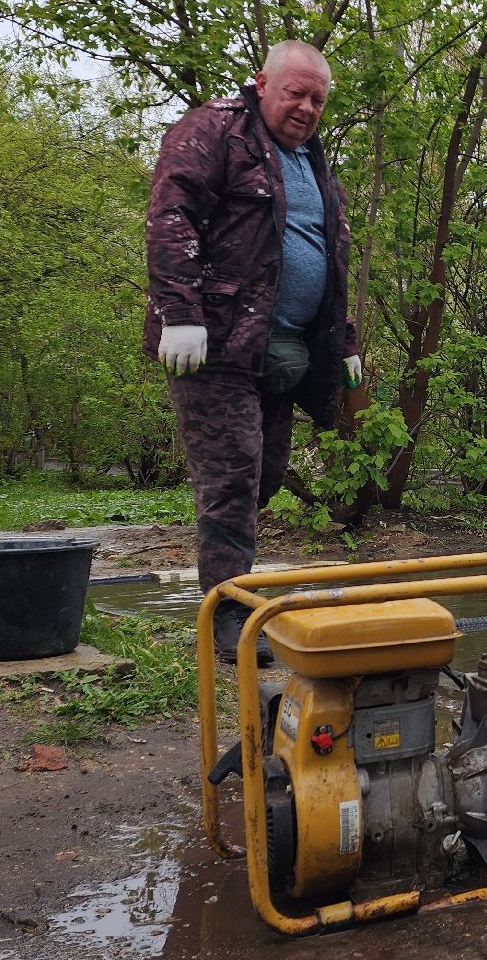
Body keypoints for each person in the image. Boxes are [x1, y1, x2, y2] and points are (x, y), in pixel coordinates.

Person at [143, 40, 362, 665]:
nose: (306, 107)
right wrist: (180, 316)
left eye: (317, 99)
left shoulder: (313, 161)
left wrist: (342, 340)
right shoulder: (212, 129)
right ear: (262, 83)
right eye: (295, 92)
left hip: (285, 351)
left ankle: (225, 574)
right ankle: (229, 619)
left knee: (263, 475)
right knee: (234, 476)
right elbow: (171, 216)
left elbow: (330, 254)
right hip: (216, 345)